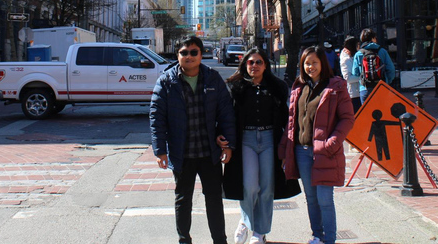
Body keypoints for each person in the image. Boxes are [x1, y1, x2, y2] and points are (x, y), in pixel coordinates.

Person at [149, 36, 237, 244]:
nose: (189, 56)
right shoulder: (166, 81)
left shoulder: (213, 78)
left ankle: (219, 240)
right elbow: (157, 116)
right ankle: (184, 240)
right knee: (183, 199)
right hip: (182, 153)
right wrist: (160, 150)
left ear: (201, 54)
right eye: (184, 52)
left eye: (193, 52)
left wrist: (229, 144)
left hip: (209, 153)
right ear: (178, 55)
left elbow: (226, 113)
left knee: (214, 199)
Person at [221, 48, 300, 244]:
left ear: (265, 65)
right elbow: (227, 116)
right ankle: (246, 222)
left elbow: (286, 117)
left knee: (267, 187)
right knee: (249, 186)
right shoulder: (236, 87)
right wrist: (224, 140)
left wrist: (286, 144)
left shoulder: (277, 87)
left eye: (258, 62)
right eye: (250, 62)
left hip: (268, 139)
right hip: (246, 139)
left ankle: (260, 232)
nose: (254, 66)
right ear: (245, 65)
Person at [279, 45, 355, 244]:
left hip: (325, 152)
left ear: (322, 62)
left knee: (325, 199)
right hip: (301, 151)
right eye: (306, 63)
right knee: (311, 199)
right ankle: (317, 236)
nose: (310, 66)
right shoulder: (299, 87)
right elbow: (291, 122)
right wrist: (284, 150)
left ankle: (329, 240)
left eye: (314, 62)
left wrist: (332, 143)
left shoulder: (336, 86)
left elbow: (347, 118)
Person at [351, 29, 396, 104]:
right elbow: (391, 69)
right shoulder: (382, 51)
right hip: (382, 87)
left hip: (365, 89)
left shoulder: (358, 54)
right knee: (383, 112)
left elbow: (355, 73)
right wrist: (387, 81)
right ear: (373, 38)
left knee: (367, 114)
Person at [339, 35, 361, 113]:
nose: (359, 47)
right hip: (353, 93)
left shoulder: (352, 56)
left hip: (357, 91)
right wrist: (361, 77)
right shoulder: (346, 59)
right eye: (357, 45)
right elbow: (347, 78)